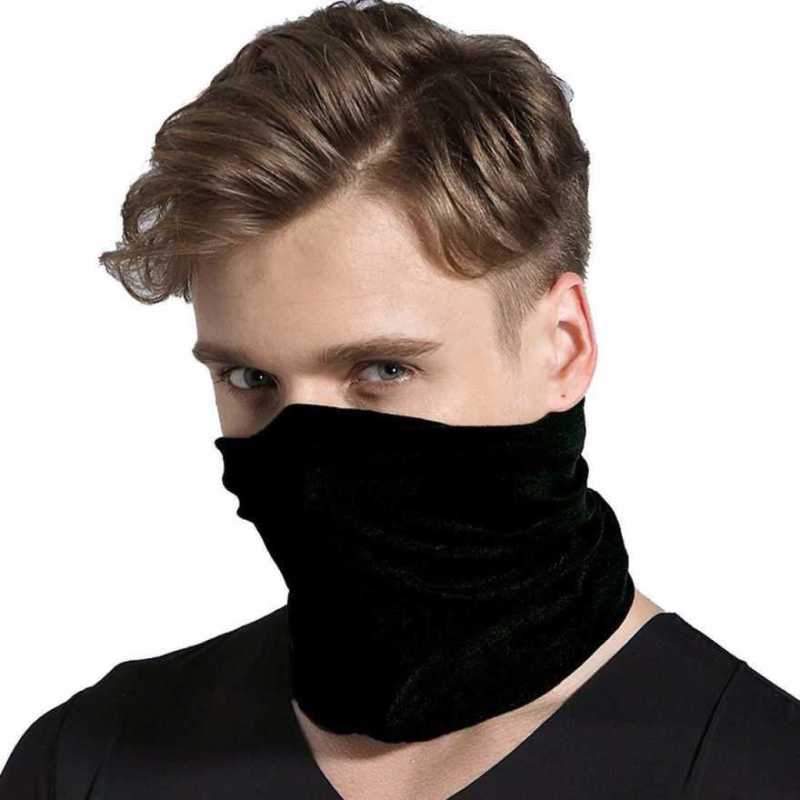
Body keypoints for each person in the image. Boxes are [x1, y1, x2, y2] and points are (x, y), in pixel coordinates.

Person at [2, 1, 798, 798]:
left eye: (382, 370)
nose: (307, 465)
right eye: (249, 380)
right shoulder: (85, 763)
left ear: (563, 348)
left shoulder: (762, 773)